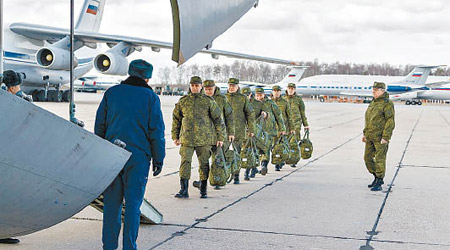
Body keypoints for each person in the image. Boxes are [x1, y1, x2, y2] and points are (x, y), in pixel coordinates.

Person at [94, 59, 165, 250]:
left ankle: (109, 246)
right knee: (133, 207)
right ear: (147, 78)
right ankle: (129, 247)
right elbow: (156, 131)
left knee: (111, 206)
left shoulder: (112, 93)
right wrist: (159, 159)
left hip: (112, 156)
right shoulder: (150, 97)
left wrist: (101, 152)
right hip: (138, 159)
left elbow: (100, 125)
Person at [172, 76, 226, 198]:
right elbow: (176, 119)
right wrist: (175, 136)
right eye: (192, 86)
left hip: (204, 139)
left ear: (201, 86)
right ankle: (183, 189)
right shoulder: (183, 101)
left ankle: (203, 189)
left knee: (204, 164)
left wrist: (220, 137)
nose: (195, 88)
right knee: (185, 162)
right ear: (190, 86)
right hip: (187, 139)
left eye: (197, 85)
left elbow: (218, 120)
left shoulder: (208, 101)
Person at [192, 79, 235, 189]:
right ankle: (203, 182)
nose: (208, 91)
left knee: (217, 160)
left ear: (215, 88)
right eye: (206, 89)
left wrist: (231, 132)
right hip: (204, 136)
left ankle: (218, 178)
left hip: (218, 135)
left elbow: (229, 117)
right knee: (203, 161)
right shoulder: (200, 99)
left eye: (210, 89)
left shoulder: (222, 99)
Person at [363, 82, 395, 191]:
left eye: (375, 90)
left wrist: (386, 137)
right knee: (367, 158)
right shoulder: (373, 103)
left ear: (382, 91)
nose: (373, 92)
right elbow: (368, 119)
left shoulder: (387, 103)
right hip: (370, 136)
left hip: (380, 137)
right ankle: (375, 176)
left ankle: (379, 180)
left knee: (380, 159)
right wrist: (365, 133)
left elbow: (390, 121)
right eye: (373, 90)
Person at [225, 78, 255, 184]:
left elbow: (250, 114)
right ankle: (224, 174)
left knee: (236, 154)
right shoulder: (223, 98)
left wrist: (251, 129)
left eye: (233, 85)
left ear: (238, 87)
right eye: (230, 85)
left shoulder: (243, 99)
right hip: (224, 133)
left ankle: (236, 175)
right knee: (223, 155)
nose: (231, 87)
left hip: (238, 132)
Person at [254, 87, 286, 175]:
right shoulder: (253, 104)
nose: (258, 97)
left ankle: (264, 165)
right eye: (257, 95)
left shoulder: (271, 103)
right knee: (255, 148)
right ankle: (253, 167)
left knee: (266, 148)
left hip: (269, 130)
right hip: (257, 131)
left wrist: (282, 128)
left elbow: (279, 116)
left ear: (264, 95)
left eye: (260, 95)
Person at [284, 83, 309, 167]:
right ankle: (282, 159)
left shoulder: (298, 100)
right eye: (289, 88)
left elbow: (302, 113)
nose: (290, 90)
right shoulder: (283, 99)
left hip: (296, 123)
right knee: (284, 141)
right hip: (285, 124)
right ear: (287, 89)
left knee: (294, 141)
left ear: (294, 90)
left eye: (292, 88)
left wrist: (306, 124)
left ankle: (293, 159)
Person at [271, 85, 295, 171]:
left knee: (281, 146)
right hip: (271, 129)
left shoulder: (285, 103)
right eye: (275, 91)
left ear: (280, 92)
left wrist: (292, 128)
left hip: (283, 129)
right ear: (272, 92)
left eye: (278, 91)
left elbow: (290, 117)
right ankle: (275, 162)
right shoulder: (268, 102)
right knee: (273, 146)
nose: (276, 92)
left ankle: (279, 162)